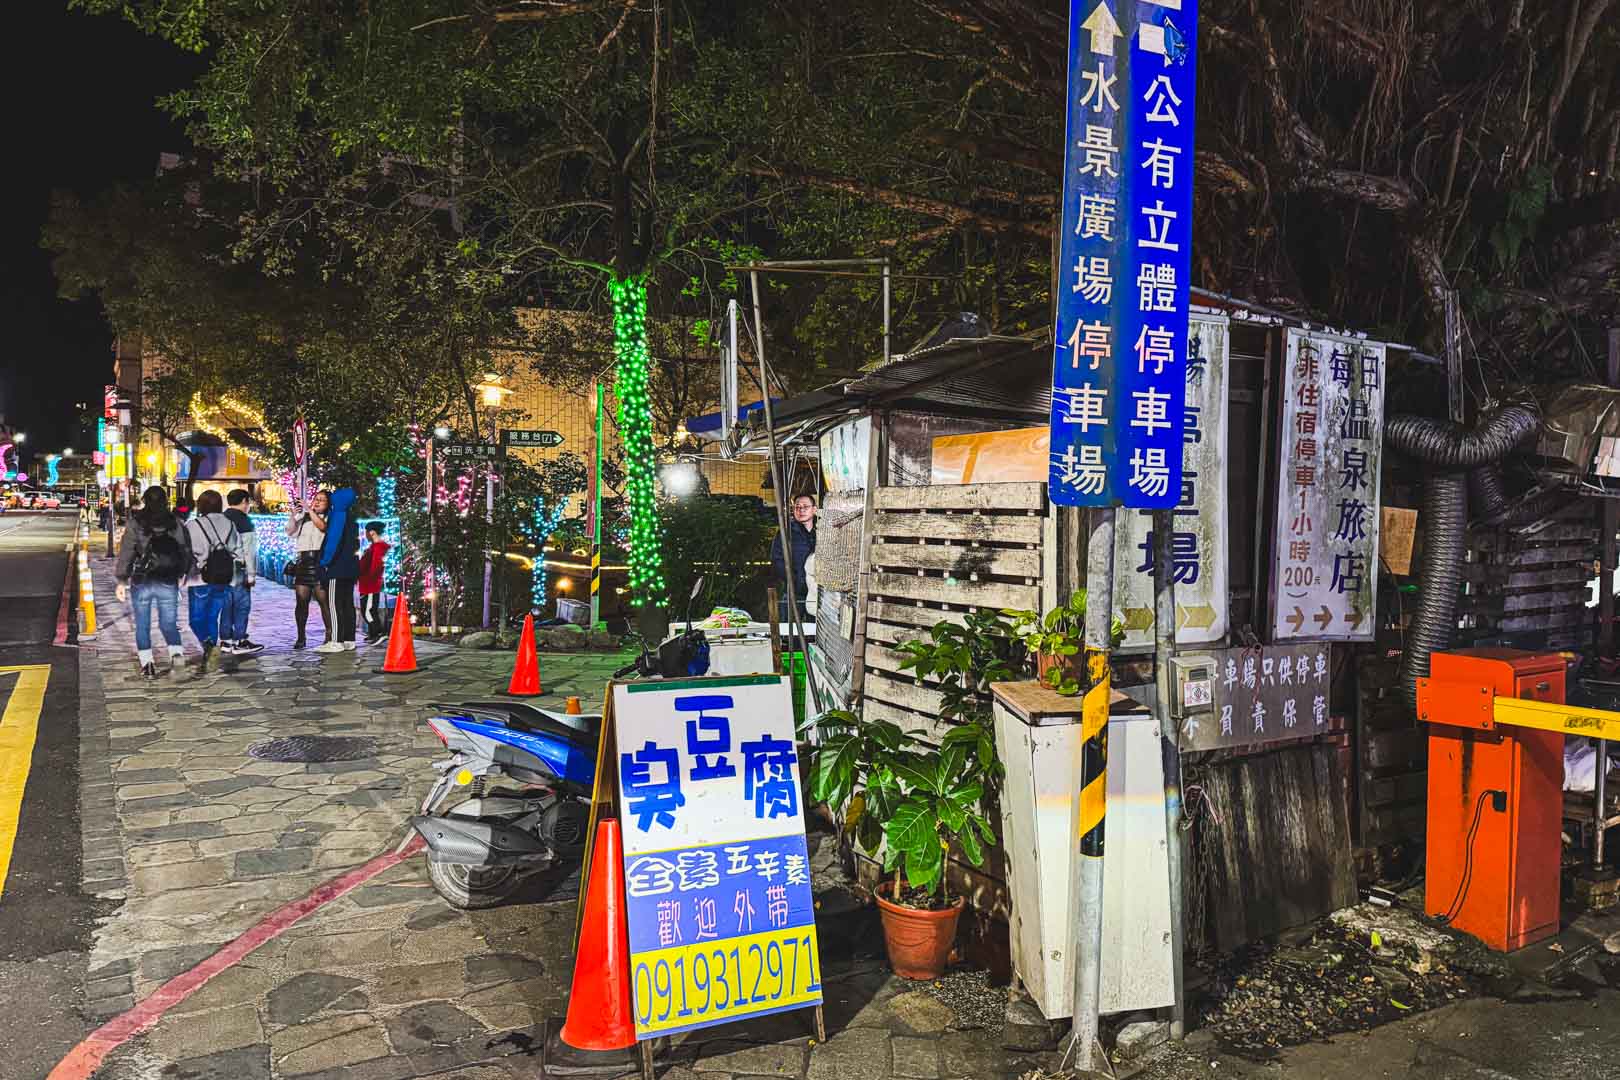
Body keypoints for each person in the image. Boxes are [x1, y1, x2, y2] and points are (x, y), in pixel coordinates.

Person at [113, 486, 192, 679]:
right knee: (169, 622)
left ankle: (147, 664)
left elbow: (127, 552)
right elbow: (185, 550)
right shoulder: (175, 522)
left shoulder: (136, 522)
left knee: (142, 624)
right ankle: (176, 655)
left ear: (145, 500)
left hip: (142, 579)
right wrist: (182, 573)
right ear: (166, 501)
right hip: (167, 579)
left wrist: (122, 580)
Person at [183, 489, 242, 671]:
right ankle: (210, 655)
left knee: (196, 619)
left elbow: (186, 552)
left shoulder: (193, 525)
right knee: (211, 617)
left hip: (200, 577)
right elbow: (237, 551)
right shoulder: (230, 524)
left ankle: (209, 647)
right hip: (224, 576)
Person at [315, 482, 361, 653]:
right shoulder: (351, 517)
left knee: (334, 604)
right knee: (348, 603)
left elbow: (333, 541)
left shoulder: (338, 515)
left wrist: (324, 562)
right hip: (350, 568)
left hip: (336, 567)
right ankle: (349, 639)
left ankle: (336, 640)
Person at [286, 490, 331, 650]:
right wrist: (293, 515)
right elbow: (290, 532)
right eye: (316, 499)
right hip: (303, 563)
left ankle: (329, 635)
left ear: (328, 504)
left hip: (319, 563)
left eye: (322, 500)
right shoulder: (303, 518)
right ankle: (301, 637)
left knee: (323, 601)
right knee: (301, 602)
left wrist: (309, 510)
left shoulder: (327, 518)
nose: (317, 502)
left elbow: (323, 527)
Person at [221, 488, 264, 656]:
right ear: (244, 502)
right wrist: (252, 574)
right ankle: (240, 640)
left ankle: (226, 641)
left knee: (226, 605)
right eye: (248, 503)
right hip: (238, 568)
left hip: (221, 567)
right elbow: (249, 550)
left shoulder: (221, 518)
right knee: (241, 606)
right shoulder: (244, 521)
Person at [769, 492, 818, 622]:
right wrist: (793, 579)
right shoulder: (786, 532)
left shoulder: (822, 531)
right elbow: (776, 559)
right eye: (797, 507)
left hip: (817, 592)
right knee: (790, 630)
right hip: (793, 592)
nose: (801, 510)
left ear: (814, 509)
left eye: (805, 507)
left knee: (815, 631)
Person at [357, 521, 390, 643]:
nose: (364, 535)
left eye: (366, 532)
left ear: (372, 532)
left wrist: (369, 579)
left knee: (368, 611)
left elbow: (376, 567)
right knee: (368, 610)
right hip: (367, 584)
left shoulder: (377, 548)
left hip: (369, 585)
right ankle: (373, 633)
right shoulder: (374, 547)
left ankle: (378, 633)